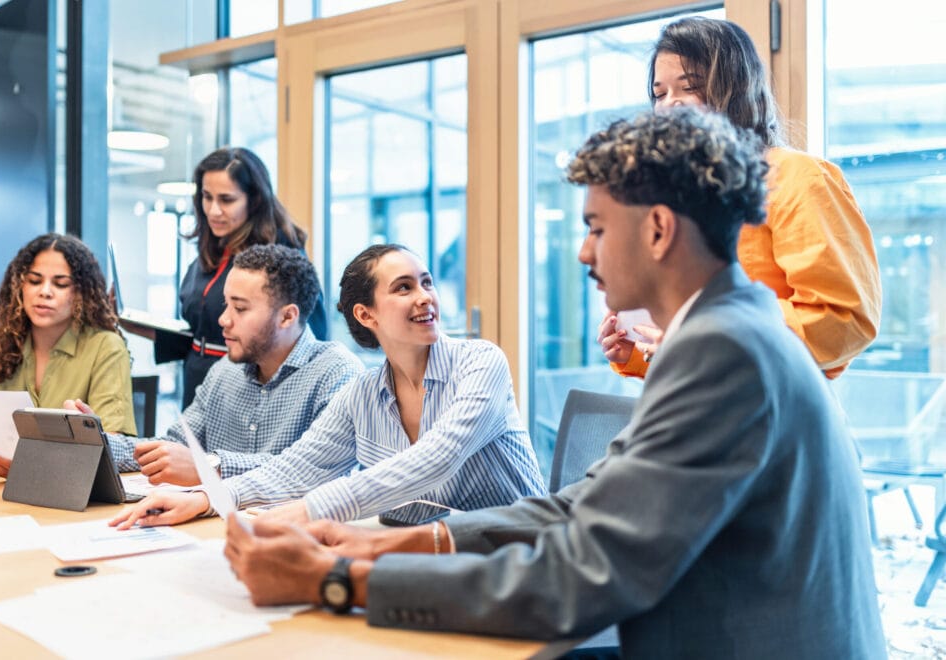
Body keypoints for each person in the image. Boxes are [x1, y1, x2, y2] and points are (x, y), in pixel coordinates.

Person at [218, 110, 886, 659]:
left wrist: (338, 580)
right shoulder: (731, 328)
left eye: (596, 228)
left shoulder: (722, 351)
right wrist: (401, 542)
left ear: (658, 230)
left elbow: (584, 572)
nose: (584, 252)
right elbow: (585, 503)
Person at [111, 244, 545, 528]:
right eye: (404, 288)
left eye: (426, 282)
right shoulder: (364, 394)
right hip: (428, 559)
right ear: (366, 315)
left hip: (520, 557)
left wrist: (307, 510)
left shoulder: (480, 362)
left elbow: (435, 460)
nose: (425, 296)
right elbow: (298, 468)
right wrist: (209, 497)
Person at [599, 16, 881, 379]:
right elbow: (686, 332)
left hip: (775, 403)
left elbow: (844, 319)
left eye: (690, 87)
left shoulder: (797, 177)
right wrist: (639, 350)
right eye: (659, 94)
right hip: (702, 403)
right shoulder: (681, 197)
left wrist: (708, 331)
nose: (669, 105)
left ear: (735, 90)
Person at [70, 244, 363, 485]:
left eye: (240, 308)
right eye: (226, 305)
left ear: (287, 317)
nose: (223, 319)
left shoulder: (337, 373)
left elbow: (311, 467)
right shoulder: (225, 370)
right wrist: (98, 441)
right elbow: (173, 446)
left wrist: (209, 466)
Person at [122, 147, 328, 409]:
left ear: (254, 200)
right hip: (198, 381)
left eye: (227, 200)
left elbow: (311, 337)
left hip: (250, 388)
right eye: (207, 197)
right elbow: (201, 335)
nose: (214, 211)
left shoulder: (281, 258)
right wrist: (132, 323)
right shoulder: (212, 249)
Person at [0, 233, 136, 477]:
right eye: (34, 281)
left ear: (81, 293)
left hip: (68, 484)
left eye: (61, 284)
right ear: (19, 285)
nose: (45, 291)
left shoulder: (106, 347)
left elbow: (114, 446)